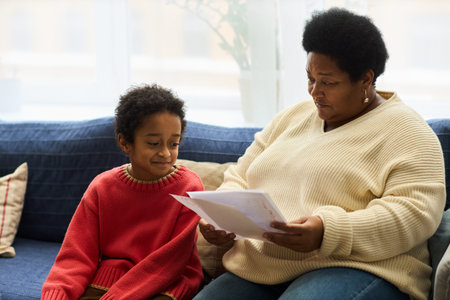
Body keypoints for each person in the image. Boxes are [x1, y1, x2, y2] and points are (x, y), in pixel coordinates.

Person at [193, 7, 446, 300]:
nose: (314, 91)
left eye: (328, 82)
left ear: (365, 79)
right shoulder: (294, 117)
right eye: (310, 79)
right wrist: (222, 215)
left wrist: (328, 231)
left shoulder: (408, 132)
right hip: (263, 266)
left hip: (358, 267)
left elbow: (415, 214)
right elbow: (241, 174)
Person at [41, 84, 204, 300]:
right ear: (125, 143)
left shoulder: (189, 188)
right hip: (108, 280)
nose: (165, 153)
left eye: (174, 143)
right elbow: (76, 255)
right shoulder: (102, 187)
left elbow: (170, 262)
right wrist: (57, 296)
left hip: (168, 282)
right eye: (154, 143)